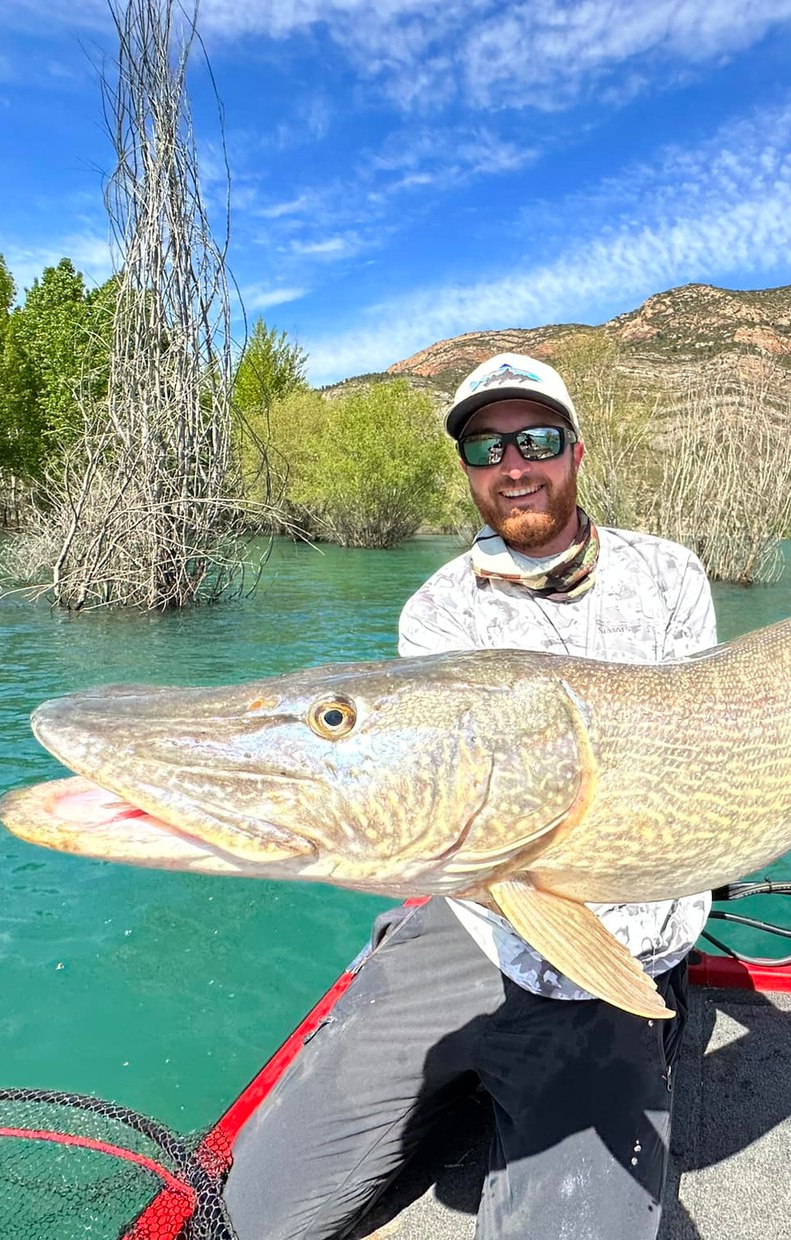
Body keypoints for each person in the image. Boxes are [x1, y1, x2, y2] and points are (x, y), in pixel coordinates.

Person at [222, 352, 718, 1240]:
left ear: (574, 449)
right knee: (255, 1214)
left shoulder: (670, 577)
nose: (513, 466)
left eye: (535, 439)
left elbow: (691, 774)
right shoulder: (437, 613)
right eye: (486, 449)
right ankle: (463, 1073)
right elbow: (436, 803)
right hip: (479, 920)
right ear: (467, 471)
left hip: (617, 942)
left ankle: (541, 1076)